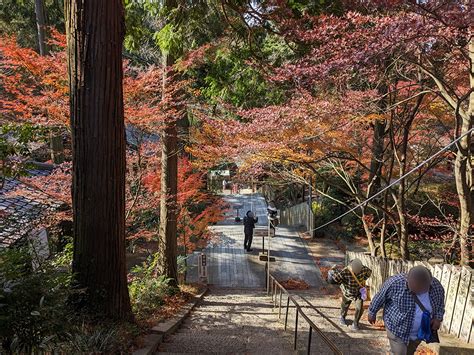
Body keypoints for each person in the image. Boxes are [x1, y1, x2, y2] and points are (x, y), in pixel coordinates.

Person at [368, 266, 445, 355]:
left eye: (421, 289)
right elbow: (380, 296)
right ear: (407, 279)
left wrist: (438, 319)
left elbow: (440, 305)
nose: (417, 290)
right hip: (397, 328)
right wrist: (372, 312)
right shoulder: (395, 283)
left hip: (420, 331)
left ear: (429, 283)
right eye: (414, 287)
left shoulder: (437, 287)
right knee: (399, 353)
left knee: (409, 352)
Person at [332, 259, 372, 330]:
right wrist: (334, 271)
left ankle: (355, 323)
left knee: (359, 308)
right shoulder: (345, 271)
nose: (357, 271)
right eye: (356, 269)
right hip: (347, 293)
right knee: (345, 306)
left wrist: (363, 279)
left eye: (359, 269)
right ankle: (342, 317)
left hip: (358, 293)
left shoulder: (364, 269)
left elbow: (369, 272)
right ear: (352, 267)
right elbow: (336, 279)